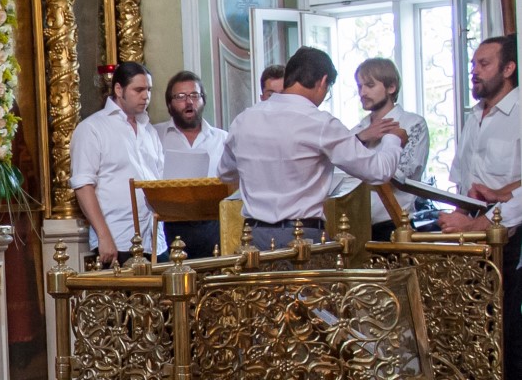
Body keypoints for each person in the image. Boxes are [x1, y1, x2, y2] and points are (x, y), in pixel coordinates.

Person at [218, 46, 408, 250]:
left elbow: (225, 173)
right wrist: (393, 139)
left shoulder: (244, 119)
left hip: (254, 237)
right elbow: (378, 171)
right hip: (302, 236)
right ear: (323, 82)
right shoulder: (320, 123)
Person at [438, 35, 521, 380]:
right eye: (473, 64)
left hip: (510, 239)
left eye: (484, 64)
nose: (474, 71)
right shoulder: (474, 117)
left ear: (508, 68)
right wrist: (459, 216)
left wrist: (479, 224)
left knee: (508, 330)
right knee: (476, 327)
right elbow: (464, 181)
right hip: (472, 240)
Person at [70, 61, 167, 266]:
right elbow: (83, 185)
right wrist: (103, 235)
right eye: (138, 90)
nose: (146, 96)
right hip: (118, 239)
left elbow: (157, 180)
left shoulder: (149, 131)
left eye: (149, 90)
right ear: (118, 89)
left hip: (154, 241)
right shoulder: (92, 128)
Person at [351, 58, 429, 241]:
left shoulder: (413, 124)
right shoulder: (357, 131)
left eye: (370, 85)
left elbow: (401, 174)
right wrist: (362, 138)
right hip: (357, 226)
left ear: (391, 87)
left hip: (395, 224)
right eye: (360, 86)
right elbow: (339, 175)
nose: (362, 92)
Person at [154, 71, 228, 257]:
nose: (188, 102)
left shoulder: (222, 139)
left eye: (194, 95)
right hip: (169, 224)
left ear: (203, 100)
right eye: (180, 96)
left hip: (212, 224)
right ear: (169, 104)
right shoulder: (155, 136)